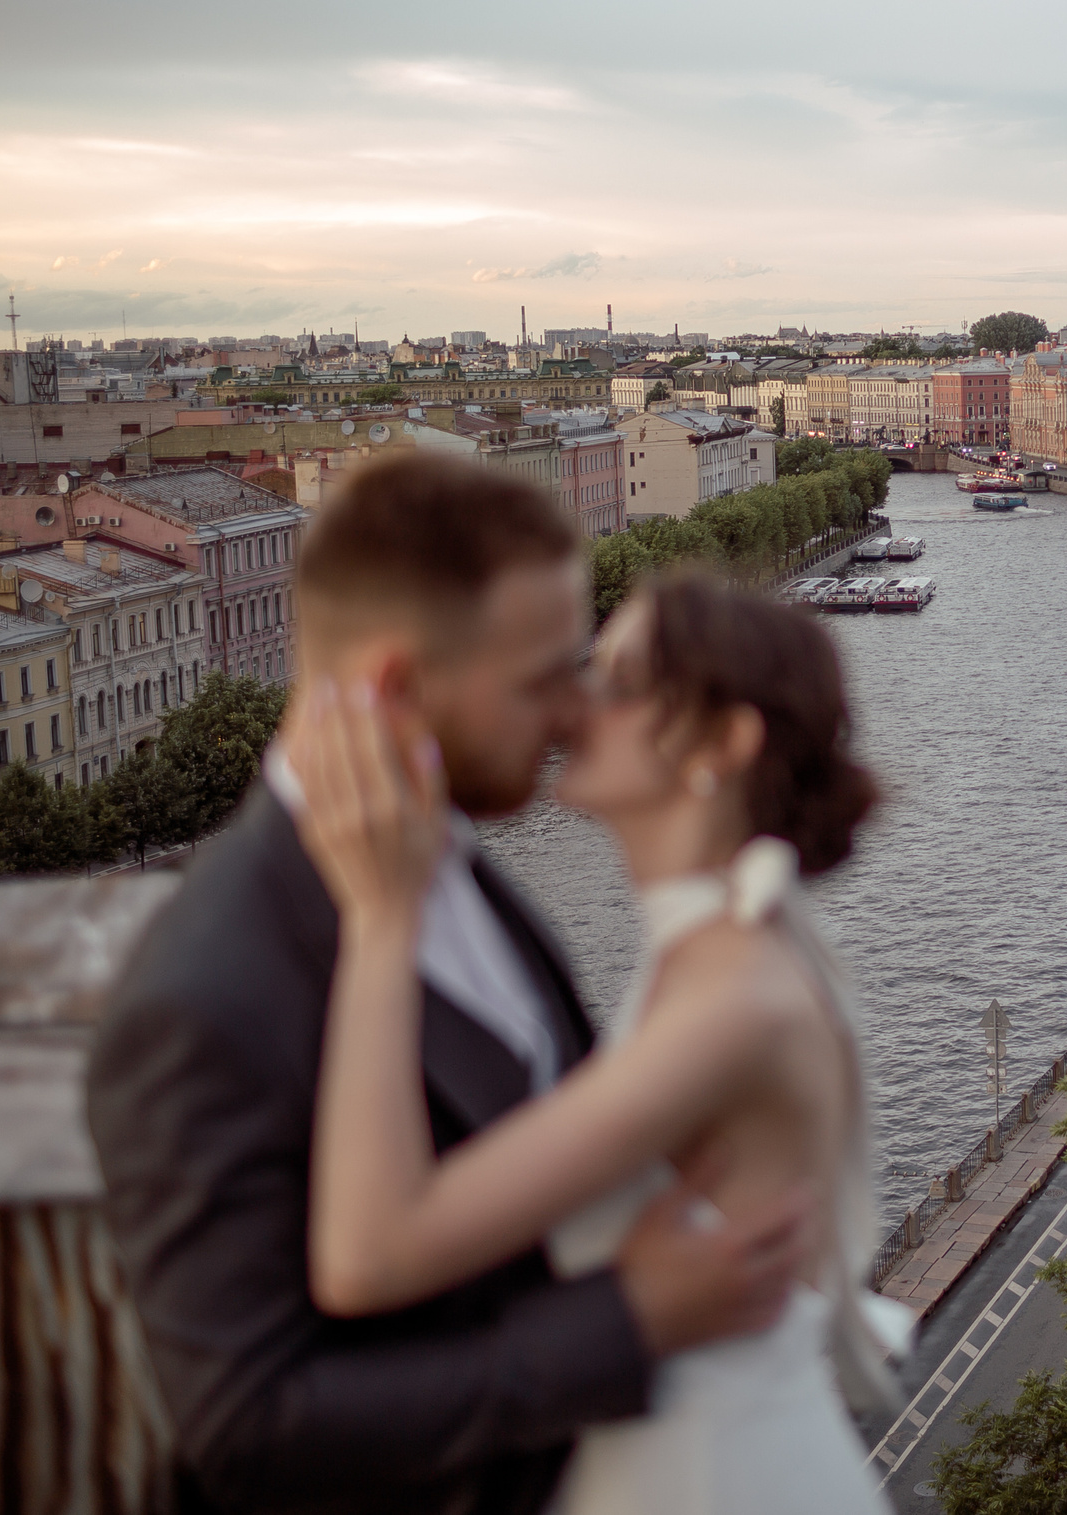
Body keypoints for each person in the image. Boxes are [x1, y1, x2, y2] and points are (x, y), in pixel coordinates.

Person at [86, 457, 818, 1515]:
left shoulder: (444, 846)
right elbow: (249, 1424)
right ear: (394, 686)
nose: (576, 711)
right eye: (542, 677)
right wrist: (626, 1322)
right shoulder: (197, 999)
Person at [289, 565, 898, 1514]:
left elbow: (372, 1249)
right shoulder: (718, 955)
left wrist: (379, 916)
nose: (574, 704)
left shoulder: (733, 1000)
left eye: (616, 681)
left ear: (721, 742)